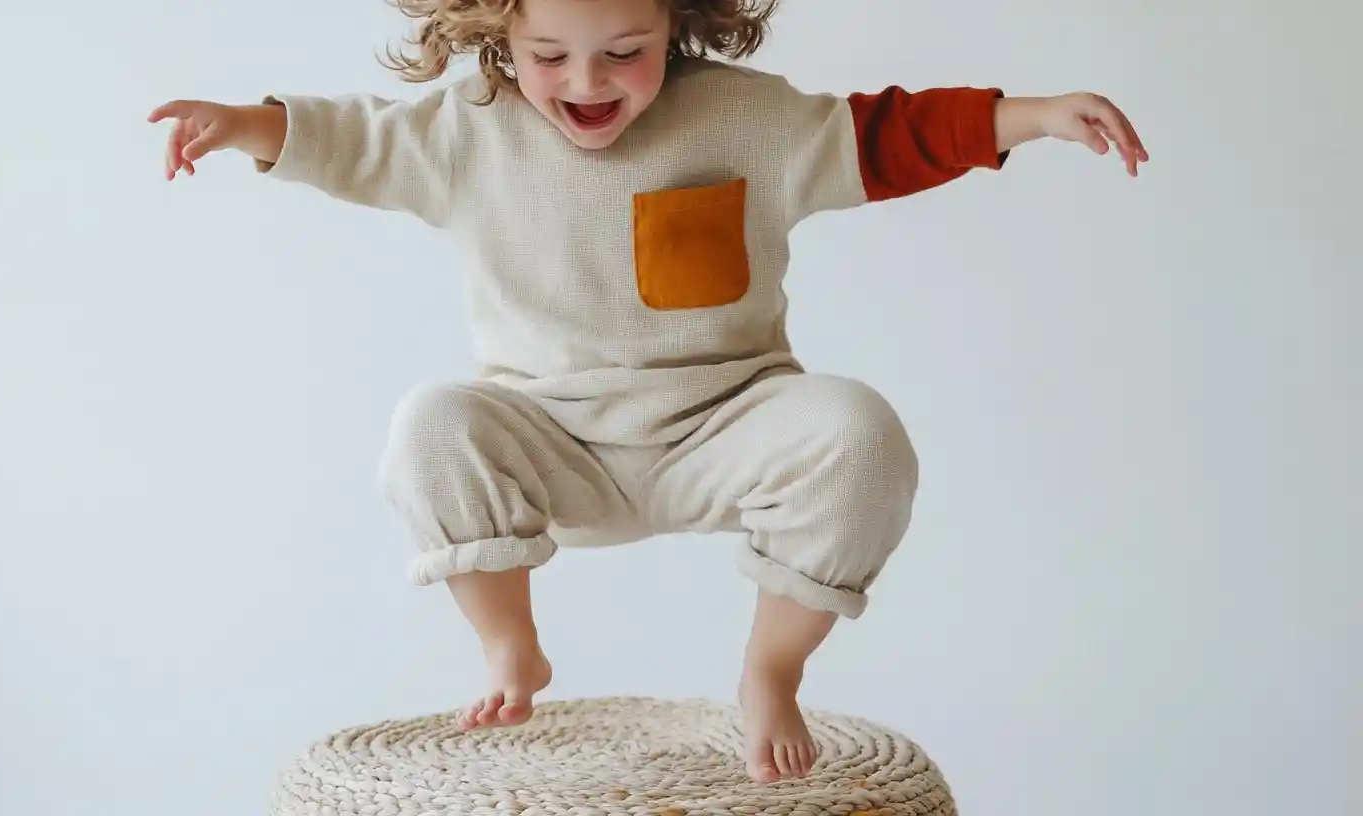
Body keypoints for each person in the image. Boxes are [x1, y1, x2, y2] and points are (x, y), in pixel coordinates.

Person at [148, 0, 1147, 783]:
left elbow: (884, 137)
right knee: (432, 426)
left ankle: (771, 671)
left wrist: (1035, 116)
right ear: (497, 31)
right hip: (550, 442)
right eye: (548, 54)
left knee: (858, 432)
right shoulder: (470, 128)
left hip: (727, 428)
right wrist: (241, 124)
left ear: (680, 22)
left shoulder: (743, 116)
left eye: (625, 51)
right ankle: (511, 650)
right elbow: (352, 141)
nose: (585, 81)